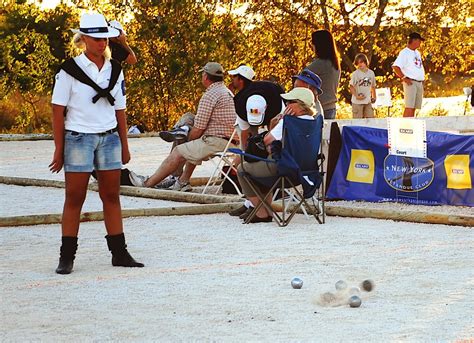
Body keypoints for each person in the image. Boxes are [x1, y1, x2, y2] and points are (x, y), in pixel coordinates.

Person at [49, 13, 143, 274]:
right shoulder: (69, 70)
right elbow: (58, 110)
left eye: (104, 38)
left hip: (109, 136)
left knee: (111, 195)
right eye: (96, 38)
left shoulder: (115, 69)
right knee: (74, 197)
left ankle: (119, 252)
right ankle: (67, 256)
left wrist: (125, 145)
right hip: (78, 137)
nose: (102, 43)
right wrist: (59, 149)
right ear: (84, 39)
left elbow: (121, 110)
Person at [129, 62, 237, 191]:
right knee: (189, 118)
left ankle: (148, 183)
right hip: (231, 140)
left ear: (206, 77)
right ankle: (182, 180)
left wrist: (187, 139)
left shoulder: (210, 95)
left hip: (218, 141)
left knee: (179, 150)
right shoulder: (227, 92)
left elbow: (198, 129)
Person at [236, 88, 318, 223]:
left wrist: (275, 125)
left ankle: (262, 212)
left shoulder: (288, 122)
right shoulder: (315, 122)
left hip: (284, 169)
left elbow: (266, 141)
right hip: (307, 172)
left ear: (300, 105)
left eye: (290, 102)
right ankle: (264, 210)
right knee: (259, 167)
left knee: (242, 169)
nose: (286, 105)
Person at [306, 29, 341, 119]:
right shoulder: (334, 63)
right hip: (331, 107)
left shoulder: (320, 64)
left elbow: (301, 77)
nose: (311, 46)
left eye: (312, 43)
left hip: (320, 108)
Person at [392, 32, 426, 117]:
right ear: (413, 40)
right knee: (409, 106)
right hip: (410, 82)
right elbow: (396, 67)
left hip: (419, 82)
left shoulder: (417, 52)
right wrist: (404, 78)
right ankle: (405, 125)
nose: (420, 43)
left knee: (414, 106)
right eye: (419, 41)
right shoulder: (404, 53)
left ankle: (412, 125)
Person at [350, 53, 376, 119]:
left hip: (367, 101)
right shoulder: (355, 74)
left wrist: (374, 97)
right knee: (358, 121)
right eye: (358, 63)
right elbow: (351, 87)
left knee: (370, 120)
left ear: (365, 62)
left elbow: (373, 86)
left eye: (361, 62)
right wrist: (356, 96)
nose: (360, 64)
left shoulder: (371, 73)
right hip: (357, 102)